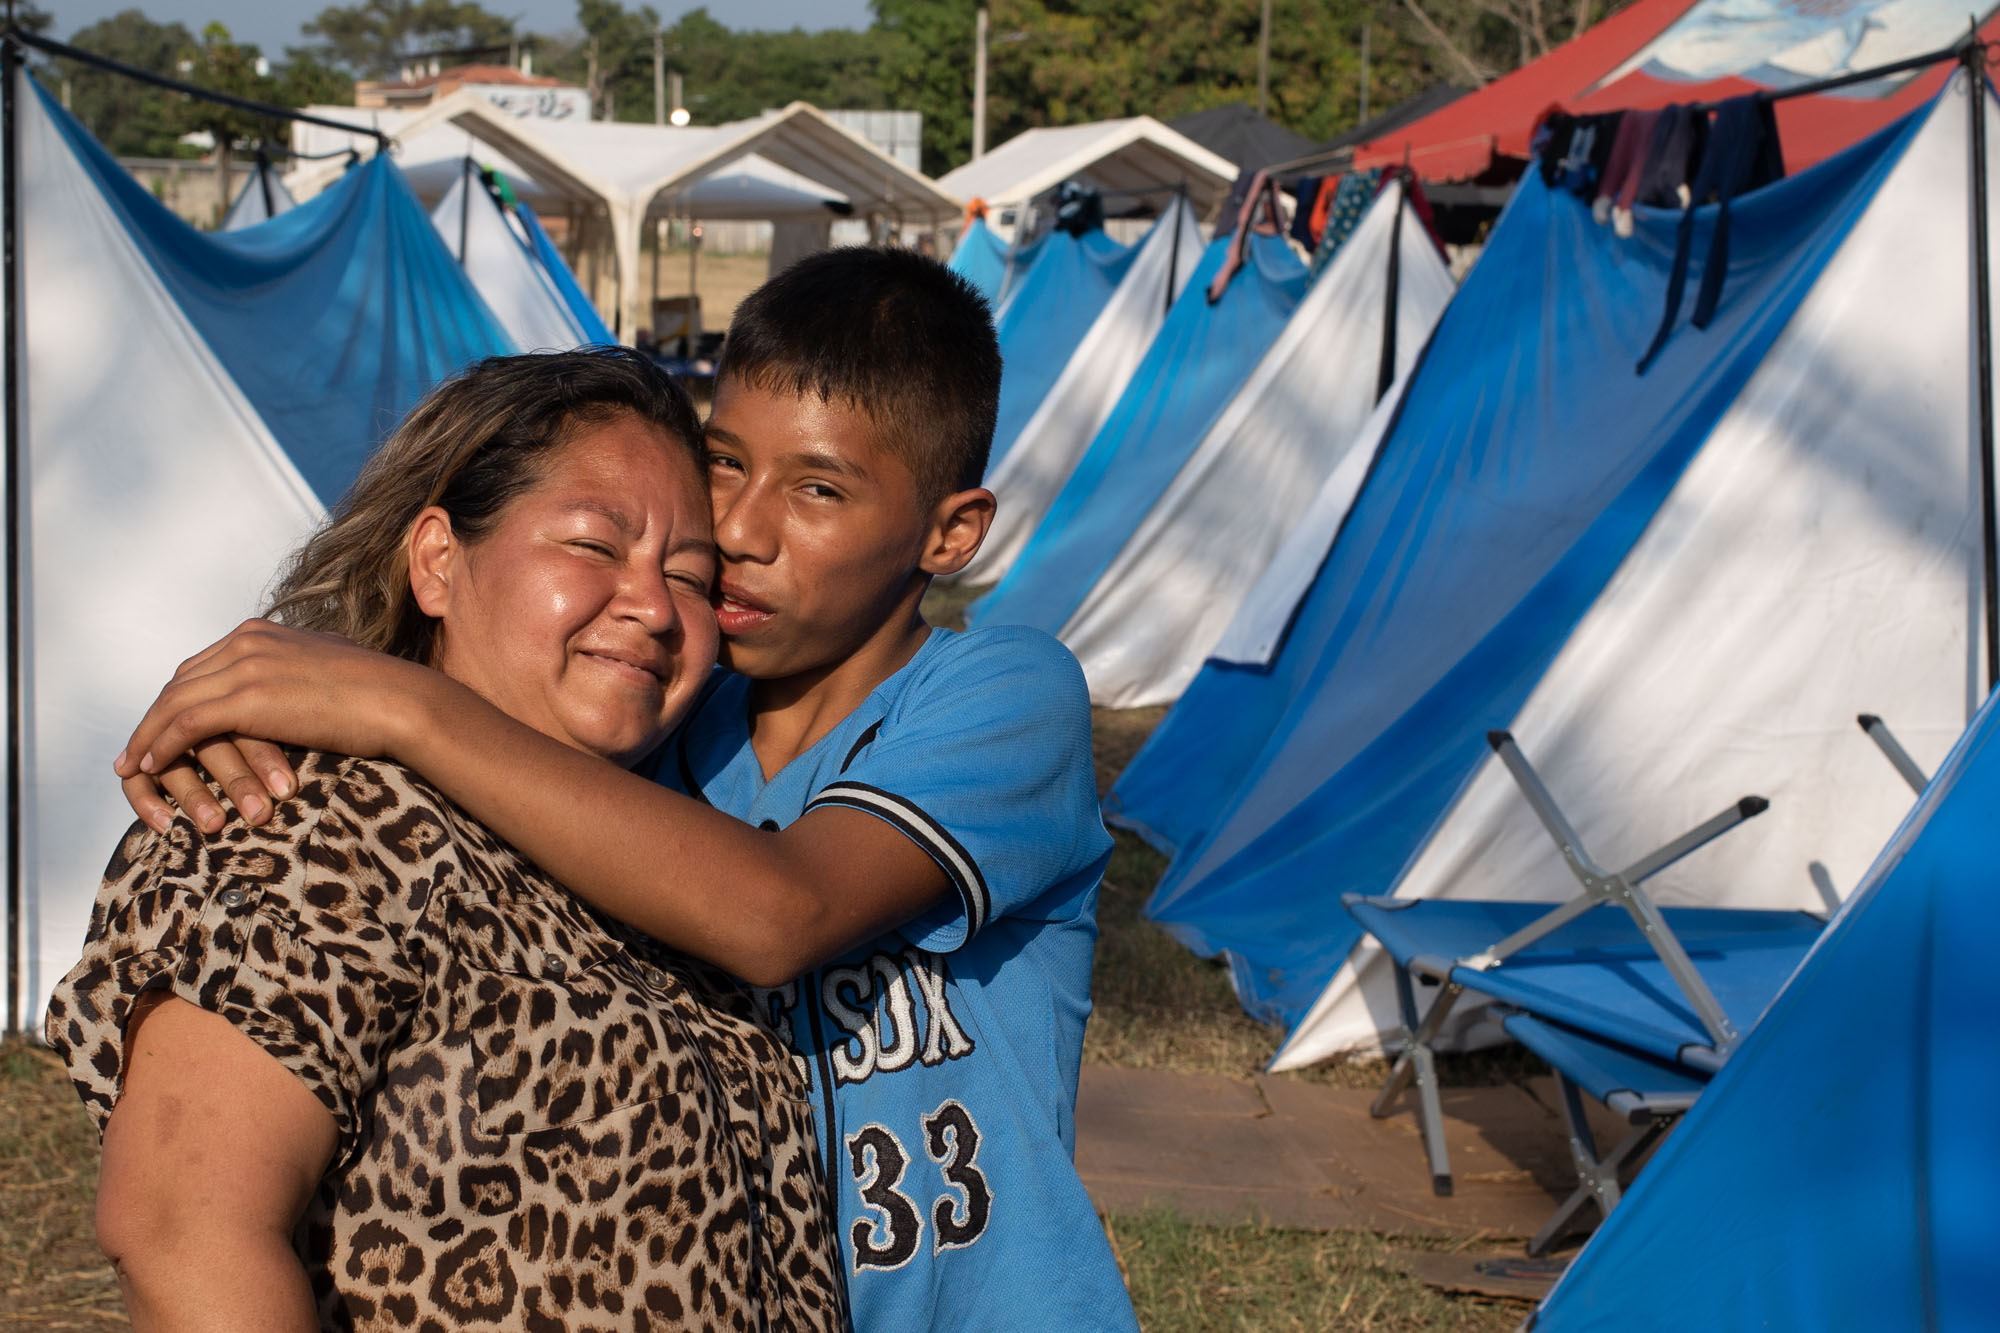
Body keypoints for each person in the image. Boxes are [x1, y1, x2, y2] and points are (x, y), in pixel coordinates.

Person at [113, 250, 1141, 1330]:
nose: (742, 532)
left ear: (950, 532)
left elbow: (776, 910)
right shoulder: (654, 731)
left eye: (819, 489)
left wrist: (403, 706)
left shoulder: (1000, 693)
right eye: (727, 465)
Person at [52, 349, 847, 1332]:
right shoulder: (312, 824)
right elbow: (183, 1232)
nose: (651, 606)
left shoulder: (660, 856)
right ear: (436, 560)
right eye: (596, 547)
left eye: (687, 575)